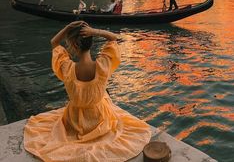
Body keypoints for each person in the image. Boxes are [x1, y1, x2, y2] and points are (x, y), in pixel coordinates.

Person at [24, 21, 151, 161]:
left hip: (74, 120)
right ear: (91, 42)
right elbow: (113, 38)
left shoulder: (67, 68)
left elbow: (54, 43)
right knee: (105, 98)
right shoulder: (103, 66)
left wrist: (68, 27)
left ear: (75, 45)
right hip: (99, 119)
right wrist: (96, 31)